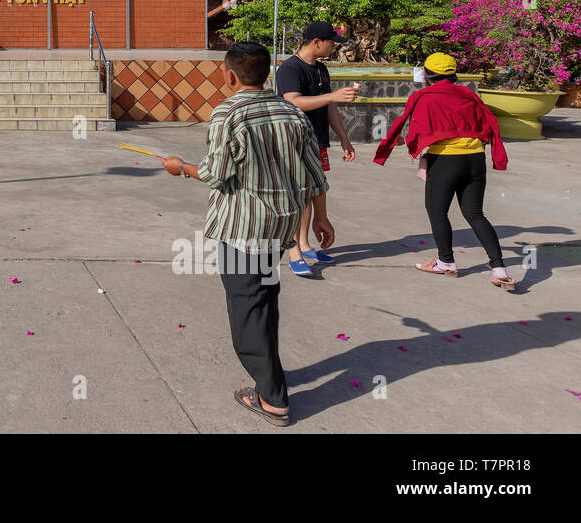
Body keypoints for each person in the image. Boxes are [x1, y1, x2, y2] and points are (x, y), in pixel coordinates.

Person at [163, 42, 331, 426]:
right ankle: (270, 371)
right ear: (267, 72)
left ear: (230, 75)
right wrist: (321, 218)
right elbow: (315, 173)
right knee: (264, 295)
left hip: (244, 227)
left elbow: (214, 174)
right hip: (281, 225)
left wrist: (179, 166)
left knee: (247, 305)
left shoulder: (228, 113)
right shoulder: (291, 111)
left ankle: (272, 398)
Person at [374, 52, 515, 289]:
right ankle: (499, 269)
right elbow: (486, 124)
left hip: (446, 160)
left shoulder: (424, 97)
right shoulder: (469, 96)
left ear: (427, 75)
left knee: (437, 211)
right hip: (475, 158)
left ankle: (446, 262)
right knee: (475, 214)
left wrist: (395, 143)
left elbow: (415, 135)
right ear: (453, 75)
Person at [274, 21, 358, 276]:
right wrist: (332, 97)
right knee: (296, 194)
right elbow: (293, 102)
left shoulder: (321, 69)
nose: (333, 46)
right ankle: (293, 252)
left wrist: (344, 138)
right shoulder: (289, 69)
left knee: (311, 190)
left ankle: (304, 243)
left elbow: (330, 107)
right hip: (293, 140)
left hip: (317, 140)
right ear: (316, 42)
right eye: (331, 42)